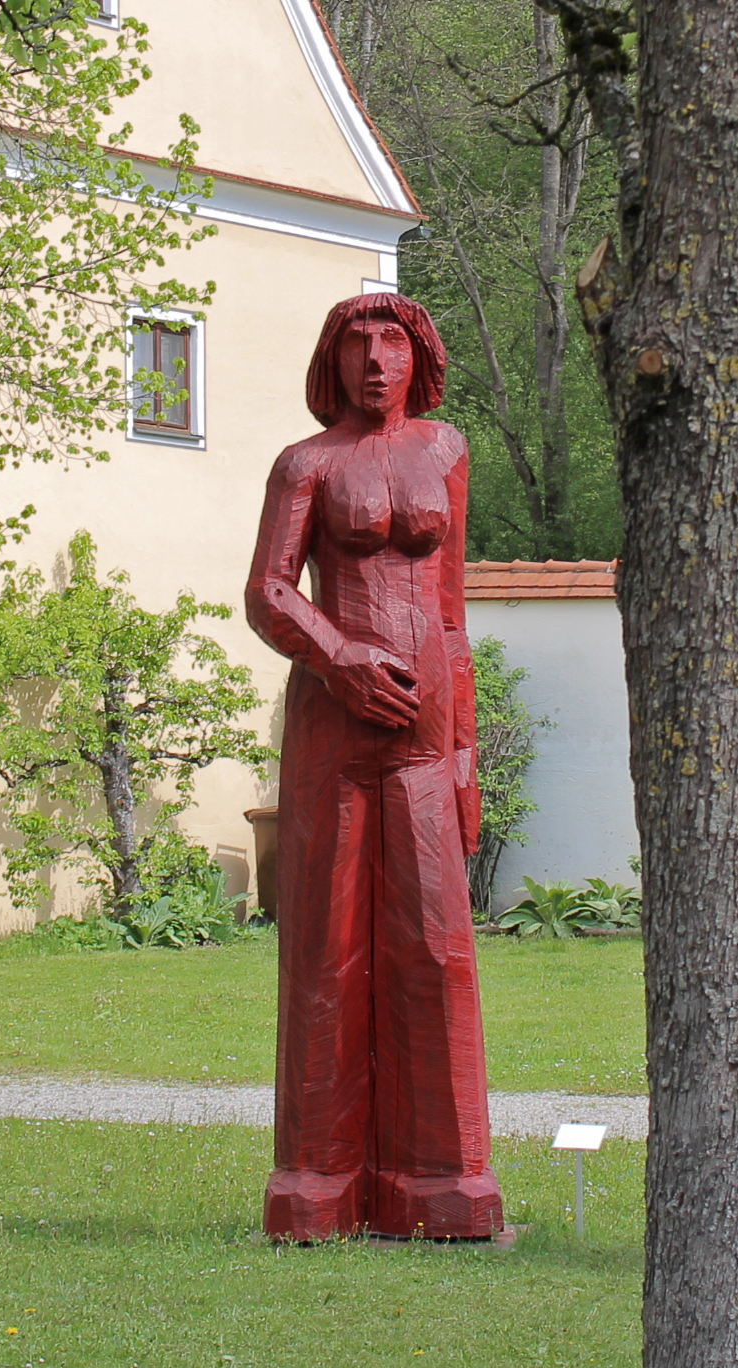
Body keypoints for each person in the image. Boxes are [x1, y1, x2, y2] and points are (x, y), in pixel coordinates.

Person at [244, 292, 504, 1242]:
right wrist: (338, 655)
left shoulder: (446, 452)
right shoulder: (305, 464)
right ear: (333, 361)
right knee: (328, 946)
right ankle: (319, 1181)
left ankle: (443, 1179)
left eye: (393, 342)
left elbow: (450, 611)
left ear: (419, 356)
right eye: (357, 344)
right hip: (334, 731)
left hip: (428, 734)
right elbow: (268, 590)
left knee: (435, 945)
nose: (376, 361)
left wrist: (467, 754)